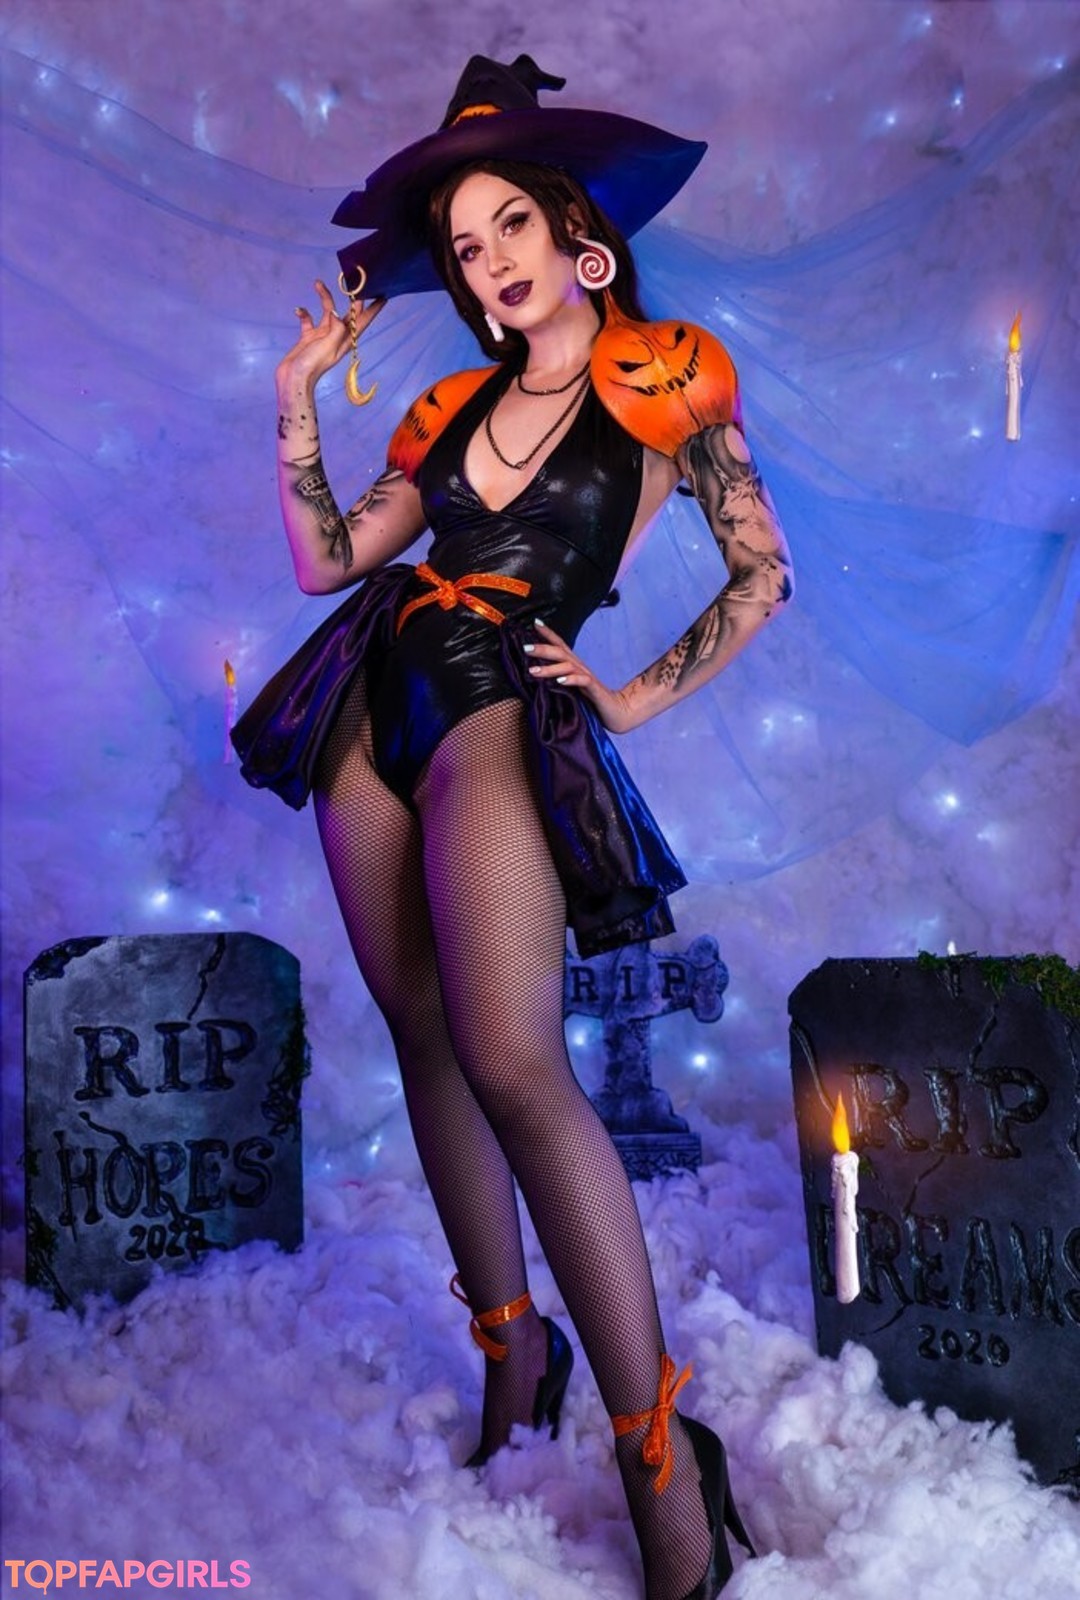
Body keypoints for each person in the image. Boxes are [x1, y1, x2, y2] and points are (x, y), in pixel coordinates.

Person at [233, 54, 792, 1600]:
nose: (489, 264)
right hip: (368, 706)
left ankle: (664, 1459)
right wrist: (295, 401)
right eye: (465, 247)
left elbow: (761, 572)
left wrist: (629, 698)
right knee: (422, 1039)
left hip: (496, 712)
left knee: (514, 1065)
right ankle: (511, 1349)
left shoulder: (668, 375)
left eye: (510, 228)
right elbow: (329, 559)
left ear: (575, 232)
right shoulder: (448, 405)